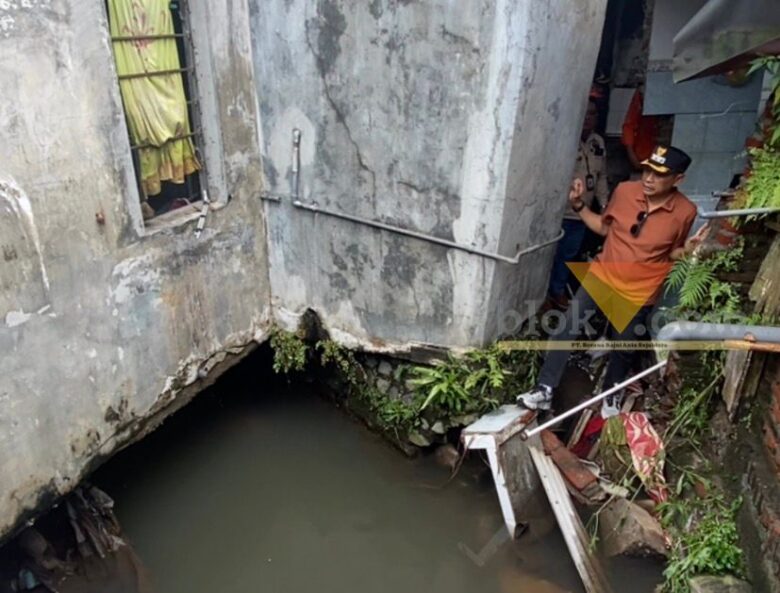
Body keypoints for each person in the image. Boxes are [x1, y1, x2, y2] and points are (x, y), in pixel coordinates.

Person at [518, 145, 702, 413]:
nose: (648, 178)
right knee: (566, 327)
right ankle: (545, 389)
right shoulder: (626, 191)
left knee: (623, 346)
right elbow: (605, 228)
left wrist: (689, 250)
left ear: (678, 179)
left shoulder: (686, 211)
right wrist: (579, 205)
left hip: (640, 289)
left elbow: (671, 252)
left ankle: (611, 394)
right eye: (647, 169)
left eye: (659, 174)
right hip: (603, 275)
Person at [545, 100, 609, 310]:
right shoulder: (564, 140)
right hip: (558, 210)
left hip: (582, 211)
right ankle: (545, 294)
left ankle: (557, 291)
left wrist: (605, 203)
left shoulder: (597, 142)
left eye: (593, 114)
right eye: (585, 114)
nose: (589, 118)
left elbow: (601, 176)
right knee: (548, 254)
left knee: (568, 254)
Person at [622, 86, 660, 172]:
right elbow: (629, 125)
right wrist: (631, 153)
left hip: (668, 155)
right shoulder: (644, 92)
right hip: (643, 158)